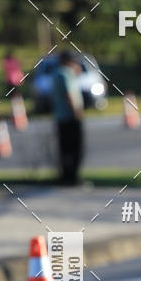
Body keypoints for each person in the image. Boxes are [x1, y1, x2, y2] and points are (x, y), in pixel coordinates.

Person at [51, 51, 84, 185]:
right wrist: (77, 112)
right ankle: (73, 177)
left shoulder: (56, 73)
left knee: (64, 149)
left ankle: (65, 176)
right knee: (74, 149)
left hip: (60, 117)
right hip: (70, 117)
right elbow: (69, 94)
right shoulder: (66, 73)